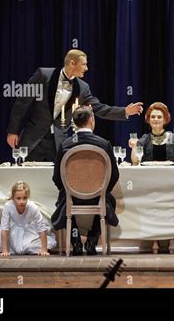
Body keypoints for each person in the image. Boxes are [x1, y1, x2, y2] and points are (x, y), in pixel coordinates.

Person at [6, 49, 144, 161]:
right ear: (72, 63)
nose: (87, 68)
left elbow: (99, 108)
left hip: (59, 141)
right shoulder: (43, 75)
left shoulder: (82, 88)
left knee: (54, 184)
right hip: (34, 138)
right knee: (29, 179)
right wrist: (13, 131)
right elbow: (22, 103)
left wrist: (125, 111)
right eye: (84, 64)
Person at [51, 106, 119, 255]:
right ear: (91, 120)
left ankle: (75, 242)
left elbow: (56, 178)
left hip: (72, 197)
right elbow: (114, 176)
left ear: (74, 122)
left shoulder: (65, 145)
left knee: (64, 200)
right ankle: (92, 240)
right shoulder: (103, 144)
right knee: (106, 201)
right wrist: (101, 191)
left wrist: (70, 191)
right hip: (98, 196)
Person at [0, 181, 56, 256]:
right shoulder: (8, 206)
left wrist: (44, 250)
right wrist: (4, 251)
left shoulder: (33, 207)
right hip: (13, 231)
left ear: (28, 197)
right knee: (13, 247)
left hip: (28, 230)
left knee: (43, 244)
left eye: (24, 198)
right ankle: (14, 248)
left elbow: (41, 229)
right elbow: (4, 228)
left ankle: (30, 247)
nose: (22, 201)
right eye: (18, 198)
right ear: (13, 198)